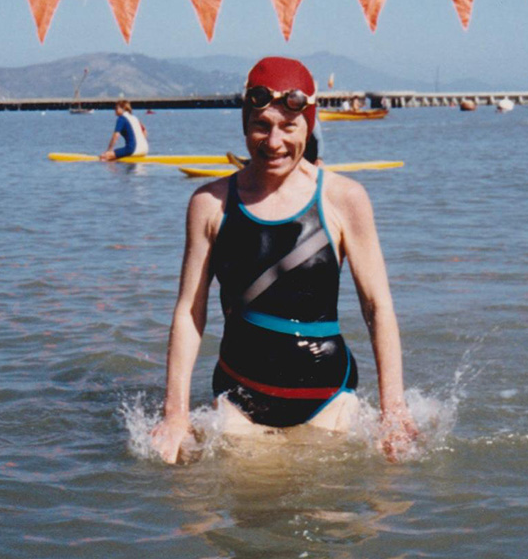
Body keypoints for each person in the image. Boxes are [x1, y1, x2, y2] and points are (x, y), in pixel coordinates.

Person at [150, 56, 417, 463]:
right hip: (240, 400)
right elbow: (190, 311)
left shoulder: (345, 199)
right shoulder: (209, 204)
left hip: (328, 400)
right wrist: (175, 415)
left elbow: (377, 307)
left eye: (288, 127)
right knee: (241, 513)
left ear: (308, 127)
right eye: (261, 125)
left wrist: (393, 411)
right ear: (244, 125)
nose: (274, 142)